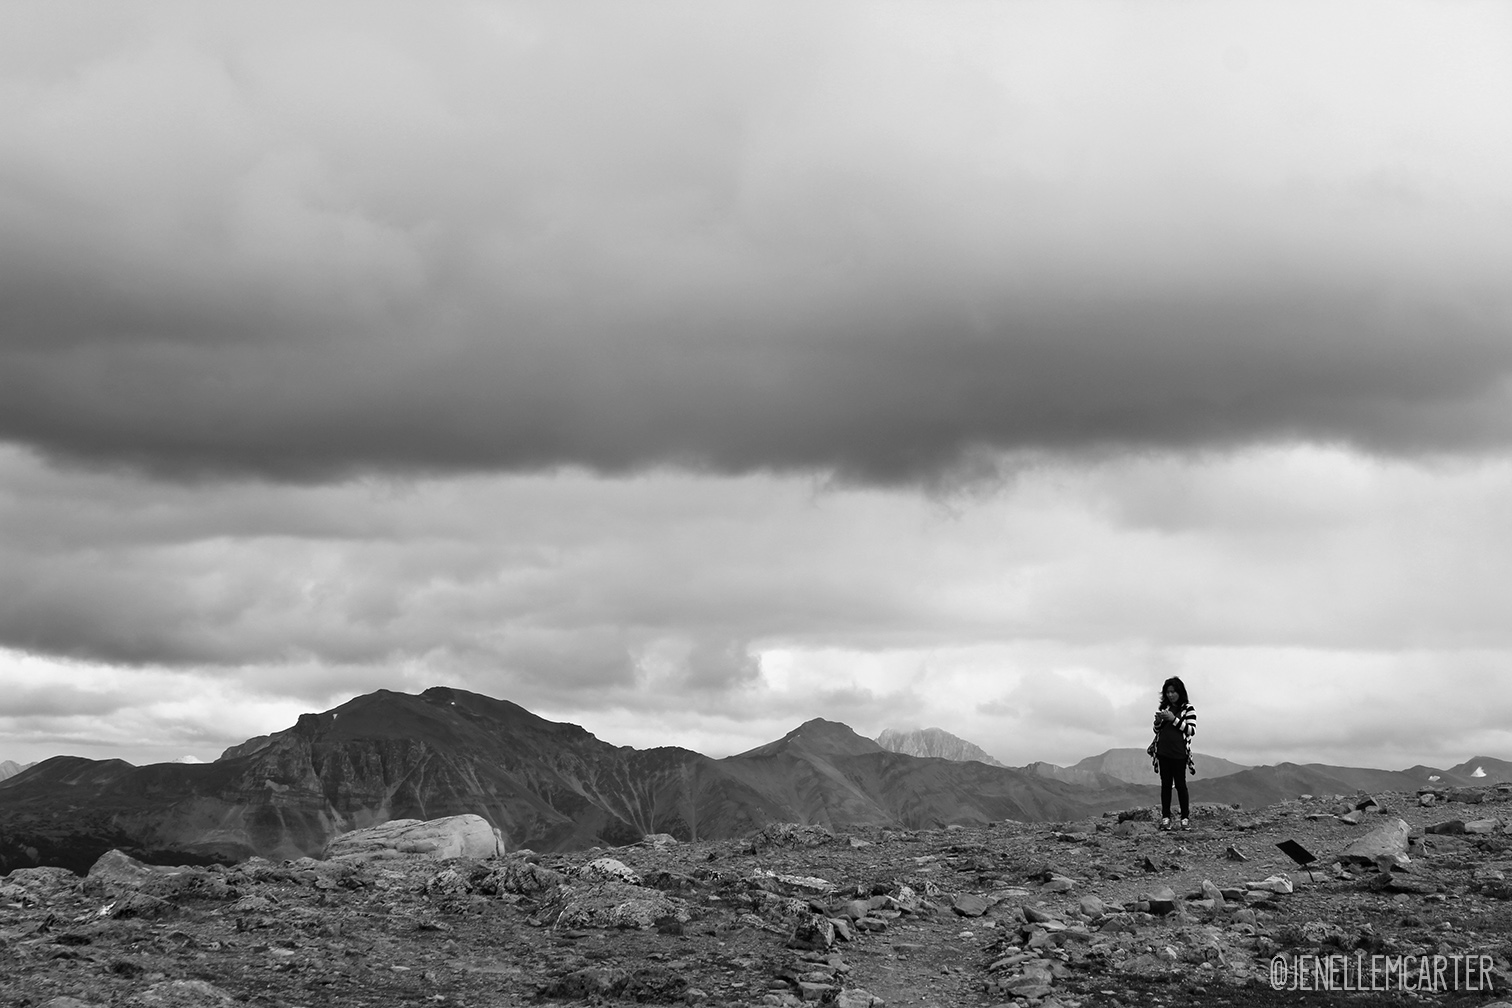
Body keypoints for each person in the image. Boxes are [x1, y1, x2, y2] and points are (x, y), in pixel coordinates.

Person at [1148, 676, 1197, 830]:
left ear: (1179, 692)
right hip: (1163, 752)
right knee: (1166, 786)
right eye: (1168, 692)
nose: (1170, 695)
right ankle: (1166, 818)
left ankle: (1185, 818)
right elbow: (1157, 731)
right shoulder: (1166, 709)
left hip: (1179, 753)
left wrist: (1174, 719)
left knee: (1181, 785)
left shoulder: (1188, 709)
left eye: (1173, 692)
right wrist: (1157, 722)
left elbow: (1191, 730)